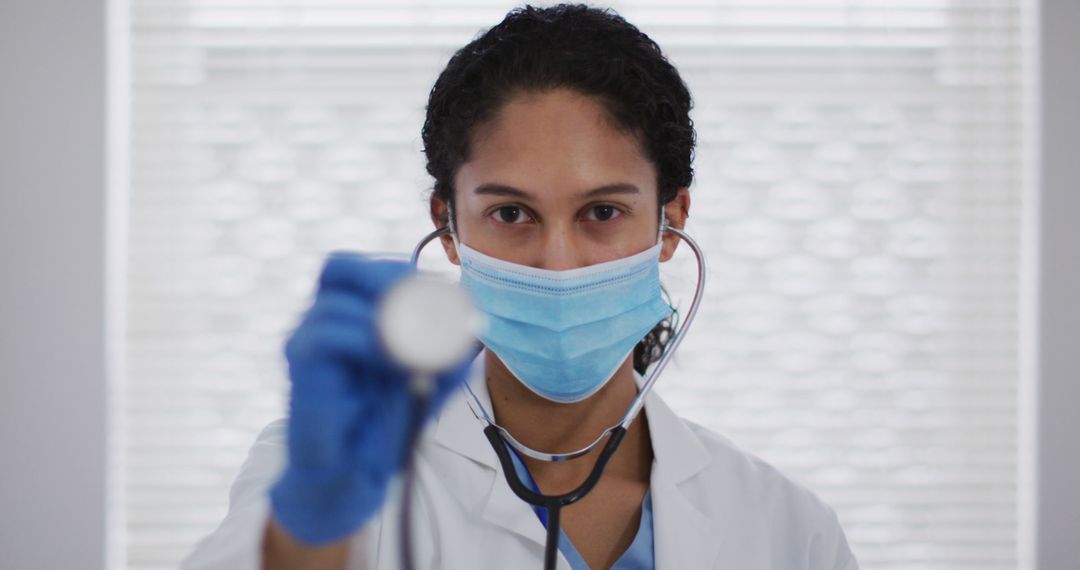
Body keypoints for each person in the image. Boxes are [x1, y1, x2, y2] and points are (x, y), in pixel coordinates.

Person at [181, 4, 859, 569]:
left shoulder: (784, 528)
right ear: (447, 225)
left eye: (602, 212)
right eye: (511, 214)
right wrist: (315, 521)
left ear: (669, 222)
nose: (558, 263)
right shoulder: (323, 478)